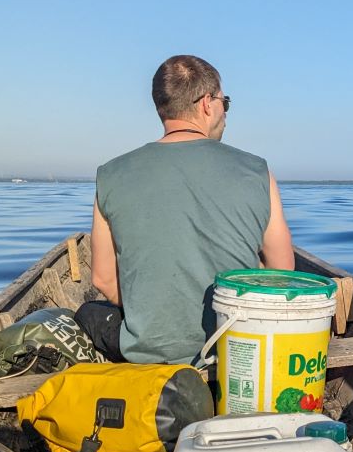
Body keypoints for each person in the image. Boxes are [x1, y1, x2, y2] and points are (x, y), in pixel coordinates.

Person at [78, 54, 294, 364]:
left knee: (88, 313)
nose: (225, 112)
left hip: (148, 352)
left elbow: (103, 279)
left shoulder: (110, 174)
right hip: (234, 350)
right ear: (207, 103)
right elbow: (282, 274)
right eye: (225, 103)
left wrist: (148, 314)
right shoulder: (258, 171)